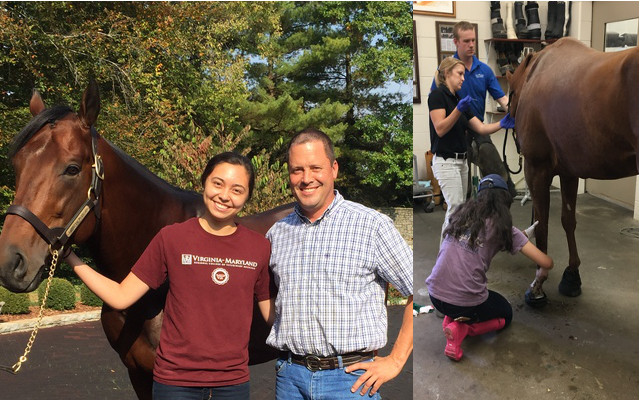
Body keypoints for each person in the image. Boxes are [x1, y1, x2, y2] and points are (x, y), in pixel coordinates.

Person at [64, 152, 274, 400]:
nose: (225, 196)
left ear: (247, 196)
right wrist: (69, 256)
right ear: (204, 181)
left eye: (237, 190)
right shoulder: (171, 238)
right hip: (176, 384)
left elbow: (271, 315)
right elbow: (121, 297)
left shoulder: (258, 247)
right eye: (218, 183)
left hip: (232, 384)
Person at [266, 128, 413, 399]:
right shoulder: (277, 234)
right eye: (297, 170)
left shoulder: (371, 226)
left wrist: (396, 360)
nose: (306, 178)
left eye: (315, 168)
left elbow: (421, 288)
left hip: (349, 381)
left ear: (334, 169)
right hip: (290, 379)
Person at [425, 174, 553, 361]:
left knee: (461, 298)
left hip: (435, 295)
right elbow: (546, 262)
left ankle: (451, 319)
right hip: (465, 302)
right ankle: (463, 328)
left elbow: (492, 243)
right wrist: (543, 267)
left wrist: (524, 235)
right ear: (505, 201)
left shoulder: (460, 216)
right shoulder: (504, 229)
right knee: (506, 313)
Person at [429, 56, 514, 242]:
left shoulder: (458, 99)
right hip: (446, 162)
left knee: (461, 208)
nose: (463, 78)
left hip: (461, 161)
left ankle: (454, 250)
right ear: (447, 74)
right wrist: (458, 110)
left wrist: (502, 123)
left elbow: (481, 128)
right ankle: (446, 254)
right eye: (459, 74)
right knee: (456, 209)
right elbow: (440, 129)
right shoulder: (437, 96)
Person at [431, 21, 518, 198]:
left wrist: (515, 114)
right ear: (455, 41)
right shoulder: (446, 71)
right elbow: (437, 107)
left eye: (473, 40)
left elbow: (502, 99)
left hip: (476, 124)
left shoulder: (484, 71)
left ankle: (495, 206)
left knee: (499, 177)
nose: (471, 45)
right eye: (466, 41)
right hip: (455, 130)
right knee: (464, 193)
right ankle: (465, 215)